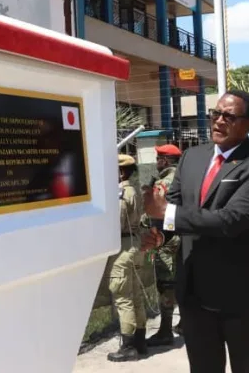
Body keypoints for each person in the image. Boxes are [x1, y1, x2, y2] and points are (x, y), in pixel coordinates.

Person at [142, 90, 249, 373]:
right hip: (194, 290)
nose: (218, 121)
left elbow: (232, 221)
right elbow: (177, 206)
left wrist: (167, 214)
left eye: (229, 116)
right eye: (215, 114)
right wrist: (161, 234)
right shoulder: (192, 157)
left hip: (241, 293)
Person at [107, 154, 148, 362]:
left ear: (121, 172)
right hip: (136, 245)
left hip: (123, 246)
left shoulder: (121, 193)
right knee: (135, 294)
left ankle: (129, 346)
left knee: (123, 297)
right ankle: (141, 341)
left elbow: (117, 223)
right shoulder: (136, 190)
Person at [145, 144, 184, 347]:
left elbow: (156, 211)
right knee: (184, 280)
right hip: (185, 236)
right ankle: (184, 323)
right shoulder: (186, 177)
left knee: (166, 284)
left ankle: (165, 331)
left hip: (167, 238)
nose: (157, 162)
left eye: (159, 158)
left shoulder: (163, 182)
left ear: (165, 161)